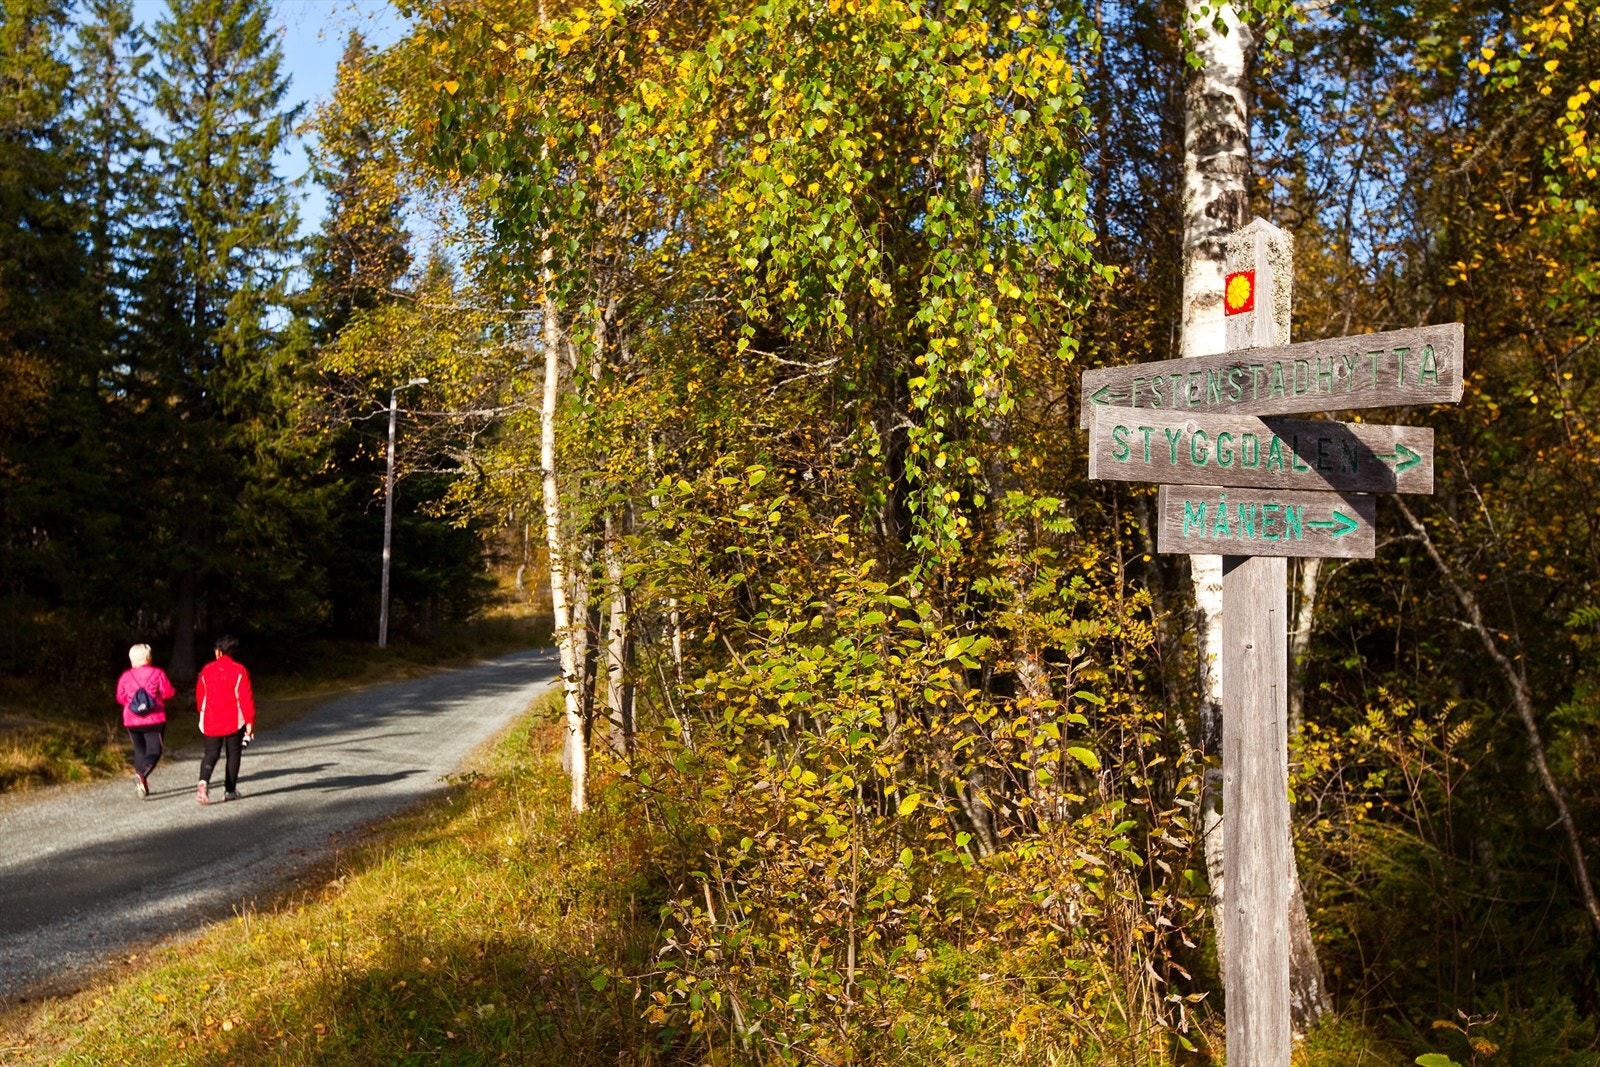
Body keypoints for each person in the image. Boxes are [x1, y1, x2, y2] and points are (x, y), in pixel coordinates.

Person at [194, 634, 256, 804]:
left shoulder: (207, 670)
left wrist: (201, 710)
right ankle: (229, 790)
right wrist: (250, 721)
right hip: (234, 719)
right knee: (233, 753)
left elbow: (201, 694)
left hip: (211, 717)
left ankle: (203, 783)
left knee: (211, 753)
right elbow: (246, 698)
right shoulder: (240, 670)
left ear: (220, 652)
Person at [116, 643, 176, 799]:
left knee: (140, 751)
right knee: (154, 751)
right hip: (154, 719)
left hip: (131, 719)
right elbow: (168, 693)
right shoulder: (157, 673)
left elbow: (120, 698)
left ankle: (142, 786)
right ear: (148, 657)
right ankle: (142, 775)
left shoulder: (125, 676)